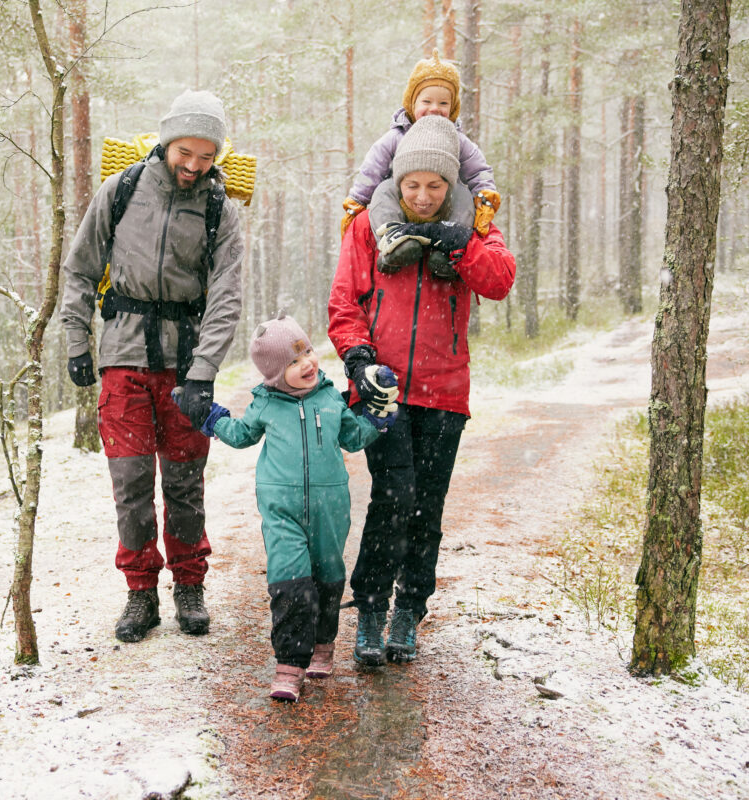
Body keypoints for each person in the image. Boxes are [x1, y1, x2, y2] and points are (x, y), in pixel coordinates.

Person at [328, 115, 516, 667]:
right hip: (383, 389)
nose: (424, 196)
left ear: (452, 184)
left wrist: (459, 243)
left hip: (444, 392)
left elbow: (499, 281)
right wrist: (358, 360)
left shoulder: (472, 226)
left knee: (426, 506)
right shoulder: (368, 226)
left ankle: (409, 610)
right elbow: (344, 302)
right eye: (413, 184)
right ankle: (368, 609)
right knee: (393, 497)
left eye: (436, 186)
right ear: (397, 180)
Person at [60, 90, 244, 643]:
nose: (193, 165)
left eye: (206, 156)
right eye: (185, 151)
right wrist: (75, 339)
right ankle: (140, 593)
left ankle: (189, 586)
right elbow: (81, 268)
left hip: (185, 365)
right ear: (166, 142)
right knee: (131, 482)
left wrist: (204, 370)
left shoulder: (220, 209)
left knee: (185, 483)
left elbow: (226, 298)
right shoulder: (120, 191)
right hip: (123, 357)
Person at [196, 314, 395, 700]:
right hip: (281, 507)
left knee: (327, 577)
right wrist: (209, 417)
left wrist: (377, 416)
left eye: (306, 352)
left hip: (330, 507)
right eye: (292, 361)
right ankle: (289, 664)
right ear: (273, 374)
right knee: (290, 581)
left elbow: (354, 439)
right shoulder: (265, 404)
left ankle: (323, 643)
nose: (306, 363)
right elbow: (240, 435)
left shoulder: (330, 400)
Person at [340, 50, 498, 238]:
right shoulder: (397, 136)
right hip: (403, 198)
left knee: (462, 195)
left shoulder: (455, 139)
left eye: (443, 103)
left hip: (441, 202)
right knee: (383, 191)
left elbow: (477, 169)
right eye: (426, 101)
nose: (434, 108)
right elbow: (372, 168)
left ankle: (450, 241)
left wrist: (485, 194)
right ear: (412, 103)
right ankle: (392, 238)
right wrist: (357, 199)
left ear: (452, 107)